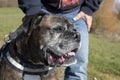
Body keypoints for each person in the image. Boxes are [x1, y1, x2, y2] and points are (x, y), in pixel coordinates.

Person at [18, 0, 103, 80]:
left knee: (77, 70)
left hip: (77, 13)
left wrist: (89, 8)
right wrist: (33, 9)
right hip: (43, 8)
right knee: (22, 61)